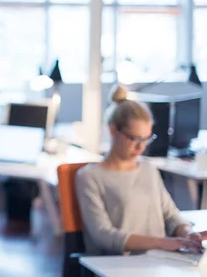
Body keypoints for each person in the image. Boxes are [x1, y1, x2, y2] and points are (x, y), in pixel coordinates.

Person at [76, 84, 207, 256]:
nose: (141, 147)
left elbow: (171, 215)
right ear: (114, 130)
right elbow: (103, 235)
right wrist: (164, 243)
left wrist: (186, 233)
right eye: (134, 138)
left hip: (158, 261)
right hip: (118, 265)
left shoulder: (148, 169)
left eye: (146, 139)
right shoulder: (90, 176)